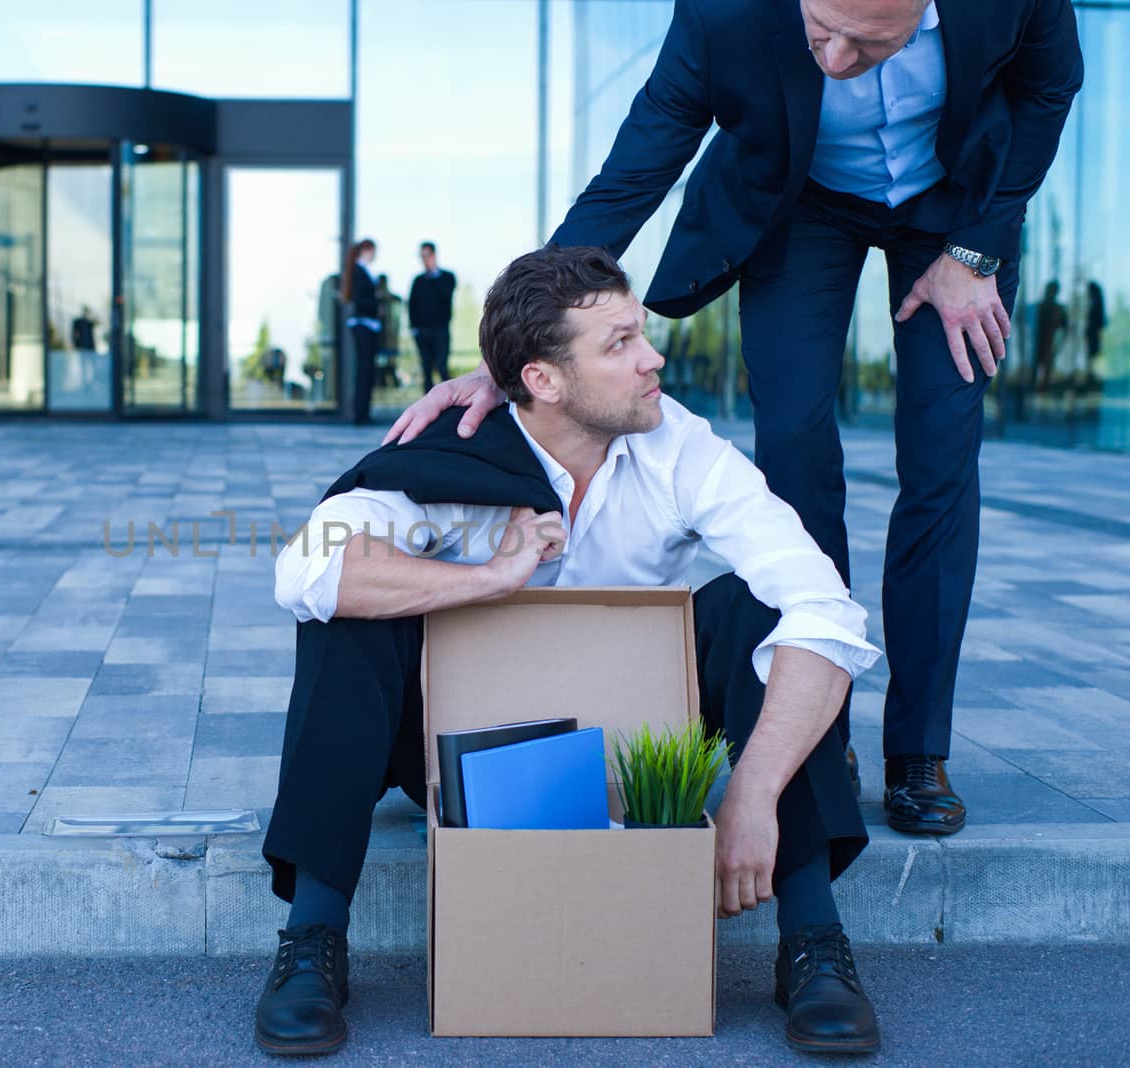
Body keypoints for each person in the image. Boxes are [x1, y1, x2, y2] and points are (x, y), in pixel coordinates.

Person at [386, 0, 1083, 837]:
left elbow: (1049, 89)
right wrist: (522, 354)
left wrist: (977, 251)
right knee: (792, 448)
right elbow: (633, 172)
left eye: (867, 42)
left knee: (941, 460)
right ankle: (819, 732)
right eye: (819, 31)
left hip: (954, 207)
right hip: (802, 205)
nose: (832, 59)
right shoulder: (725, 14)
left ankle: (918, 752)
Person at [256, 247, 882, 1056]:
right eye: (619, 344)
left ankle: (812, 940)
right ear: (544, 380)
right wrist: (490, 577)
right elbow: (303, 566)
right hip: (462, 753)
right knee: (345, 613)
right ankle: (314, 938)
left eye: (643, 335)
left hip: (638, 747)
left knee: (767, 608)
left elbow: (826, 608)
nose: (653, 358)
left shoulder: (677, 446)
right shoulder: (453, 448)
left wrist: (751, 792)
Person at [407, 241, 457, 392]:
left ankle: (449, 404)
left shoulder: (447, 277)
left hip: (440, 329)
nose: (425, 259)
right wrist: (414, 328)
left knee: (442, 366)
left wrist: (433, 276)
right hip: (423, 331)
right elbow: (411, 305)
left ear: (434, 255)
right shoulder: (418, 281)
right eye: (422, 256)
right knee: (426, 368)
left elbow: (446, 295)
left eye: (427, 255)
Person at [340, 239, 379, 425]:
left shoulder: (358, 271)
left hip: (366, 325)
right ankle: (360, 414)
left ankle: (362, 412)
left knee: (366, 370)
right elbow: (360, 299)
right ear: (366, 250)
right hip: (364, 325)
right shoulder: (359, 271)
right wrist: (377, 305)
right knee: (365, 370)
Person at [1031, 280, 1068, 393]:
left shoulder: (1059, 309)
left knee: (1047, 364)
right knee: (1036, 363)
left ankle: (1043, 389)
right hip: (1038, 340)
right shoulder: (1038, 306)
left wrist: (1059, 342)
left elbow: (1064, 327)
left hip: (1050, 341)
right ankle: (1033, 386)